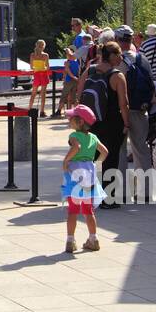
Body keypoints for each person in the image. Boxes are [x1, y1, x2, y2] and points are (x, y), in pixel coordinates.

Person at [85, 41, 129, 210]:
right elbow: (123, 104)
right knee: (111, 159)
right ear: (111, 56)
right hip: (112, 122)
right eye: (118, 54)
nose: (121, 57)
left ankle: (85, 196)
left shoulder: (89, 70)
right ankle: (109, 199)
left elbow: (80, 94)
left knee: (91, 159)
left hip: (93, 121)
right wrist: (127, 123)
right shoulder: (117, 75)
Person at [115, 25, 156, 201]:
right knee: (141, 149)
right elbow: (152, 85)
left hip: (120, 111)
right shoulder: (143, 59)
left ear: (117, 40)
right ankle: (145, 192)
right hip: (140, 110)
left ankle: (121, 192)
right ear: (131, 40)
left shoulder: (117, 62)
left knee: (119, 150)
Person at [62, 103, 109, 253]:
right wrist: (96, 164)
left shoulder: (74, 136)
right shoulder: (93, 137)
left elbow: (76, 148)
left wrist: (66, 160)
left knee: (73, 210)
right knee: (88, 211)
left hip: (75, 175)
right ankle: (93, 239)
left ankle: (70, 240)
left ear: (80, 121)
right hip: (89, 176)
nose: (69, 120)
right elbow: (105, 152)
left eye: (71, 118)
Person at [29, 39, 51, 116]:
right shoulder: (45, 55)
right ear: (43, 47)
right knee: (43, 94)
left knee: (33, 93)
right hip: (43, 74)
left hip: (36, 74)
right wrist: (43, 68)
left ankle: (29, 109)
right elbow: (48, 67)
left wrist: (37, 68)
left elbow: (32, 67)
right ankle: (42, 111)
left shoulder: (32, 55)